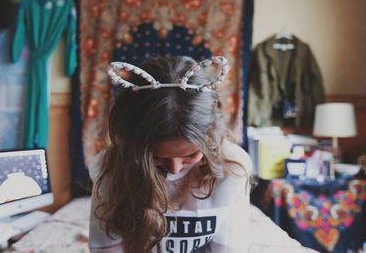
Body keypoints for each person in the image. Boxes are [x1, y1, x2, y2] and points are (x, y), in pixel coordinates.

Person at [89, 56, 253, 253]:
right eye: (157, 157)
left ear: (209, 140)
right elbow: (108, 250)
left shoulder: (232, 168)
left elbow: (227, 250)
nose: (174, 168)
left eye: (190, 155)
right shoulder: (110, 167)